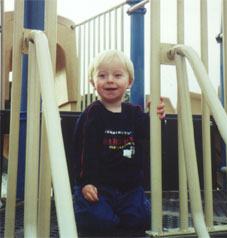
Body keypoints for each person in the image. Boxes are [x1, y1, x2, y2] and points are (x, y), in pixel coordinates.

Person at [72, 49, 165, 236]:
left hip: (129, 188)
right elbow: (82, 150)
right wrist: (85, 183)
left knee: (141, 220)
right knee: (99, 221)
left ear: (129, 82)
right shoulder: (92, 114)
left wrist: (156, 118)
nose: (110, 80)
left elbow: (148, 133)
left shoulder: (134, 113)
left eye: (117, 75)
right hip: (99, 187)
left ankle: (136, 208)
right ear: (93, 82)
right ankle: (86, 208)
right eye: (102, 75)